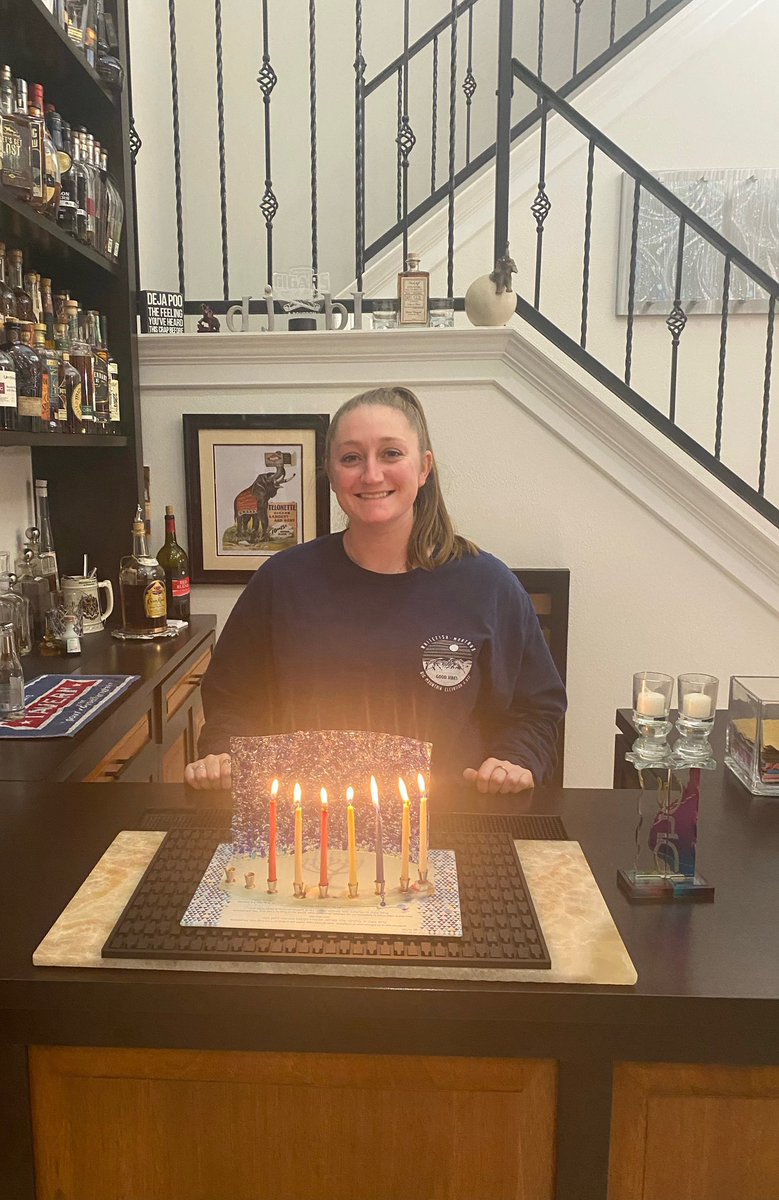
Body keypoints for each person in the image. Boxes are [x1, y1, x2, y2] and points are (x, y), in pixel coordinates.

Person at [185, 386, 566, 800]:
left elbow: (538, 706)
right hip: (306, 823)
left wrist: (517, 757)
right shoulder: (281, 581)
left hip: (453, 820)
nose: (371, 474)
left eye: (391, 454)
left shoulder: (489, 585)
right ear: (332, 476)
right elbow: (231, 696)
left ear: (424, 468)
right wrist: (224, 751)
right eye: (351, 458)